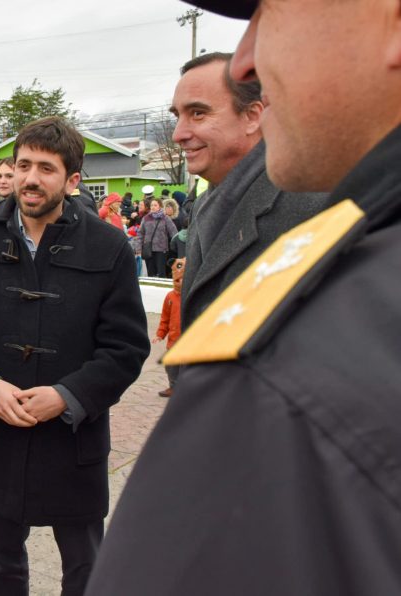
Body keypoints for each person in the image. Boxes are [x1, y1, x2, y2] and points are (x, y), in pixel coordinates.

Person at [87, 0, 401, 593]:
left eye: (268, 12)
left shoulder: (318, 206)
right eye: (176, 114)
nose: (250, 56)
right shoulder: (212, 204)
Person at [0, 116, 149, 596]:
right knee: (4, 567)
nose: (30, 178)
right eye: (23, 164)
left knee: (85, 569)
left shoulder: (108, 246)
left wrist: (67, 395)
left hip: (73, 439)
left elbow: (127, 346)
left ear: (72, 180)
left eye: (46, 168)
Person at [167, 52, 330, 328]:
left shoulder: (316, 204)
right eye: (177, 116)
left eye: (198, 113)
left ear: (253, 116)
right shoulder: (206, 204)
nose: (178, 134)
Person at [152, 257, 184, 397]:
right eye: (178, 279)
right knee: (171, 366)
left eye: (183, 278)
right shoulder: (170, 297)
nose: (180, 282)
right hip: (173, 340)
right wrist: (160, 334)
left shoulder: (191, 296)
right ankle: (173, 387)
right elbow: (165, 318)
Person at [138, 198, 177, 278]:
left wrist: (174, 245)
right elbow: (140, 233)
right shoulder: (146, 218)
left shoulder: (165, 218)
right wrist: (138, 247)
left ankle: (161, 289)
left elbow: (174, 232)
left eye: (155, 205)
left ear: (160, 206)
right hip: (148, 249)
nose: (153, 207)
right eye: (152, 205)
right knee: (150, 272)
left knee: (161, 272)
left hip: (161, 250)